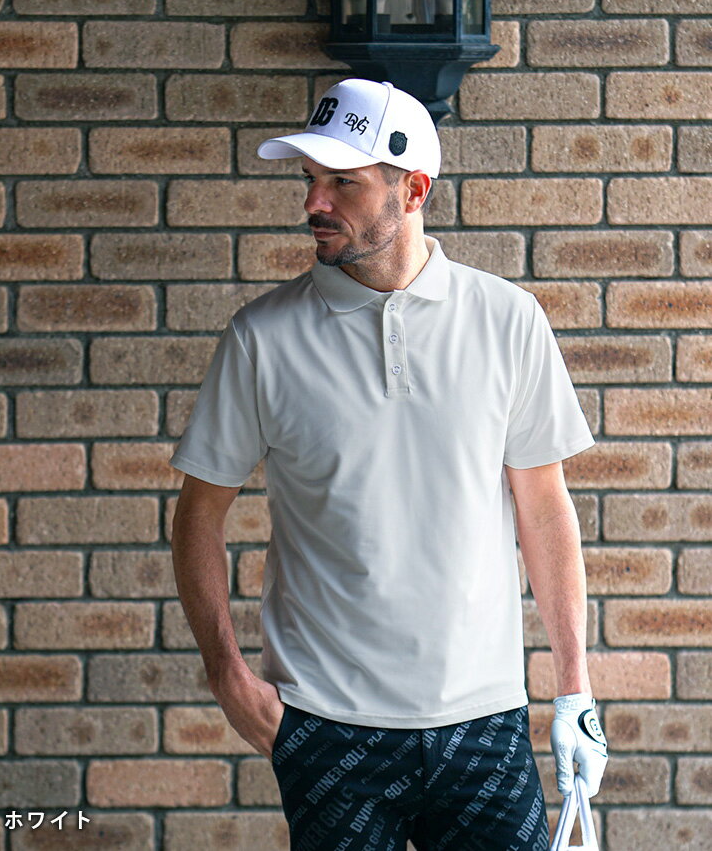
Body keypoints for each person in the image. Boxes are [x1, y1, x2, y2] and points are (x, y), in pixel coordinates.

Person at [169, 78, 608, 851]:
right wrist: (227, 677)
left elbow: (544, 509)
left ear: (413, 190)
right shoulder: (261, 338)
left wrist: (575, 689)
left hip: (485, 721)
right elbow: (198, 515)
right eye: (311, 179)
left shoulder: (508, 320)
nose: (314, 202)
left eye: (343, 181)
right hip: (328, 728)